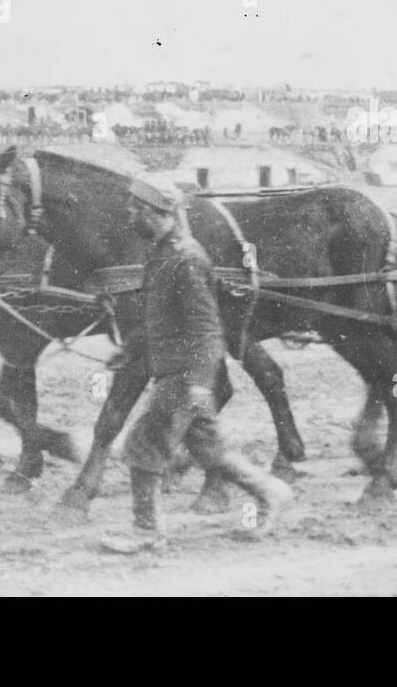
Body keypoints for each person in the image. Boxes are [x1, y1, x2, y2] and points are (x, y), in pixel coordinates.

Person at [101, 180, 293, 554]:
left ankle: (145, 533)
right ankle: (271, 491)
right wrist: (131, 348)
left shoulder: (186, 258)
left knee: (143, 446)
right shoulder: (163, 253)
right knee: (211, 451)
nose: (129, 214)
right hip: (176, 372)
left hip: (185, 377)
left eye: (135, 208)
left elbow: (206, 328)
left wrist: (202, 384)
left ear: (155, 213)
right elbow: (160, 316)